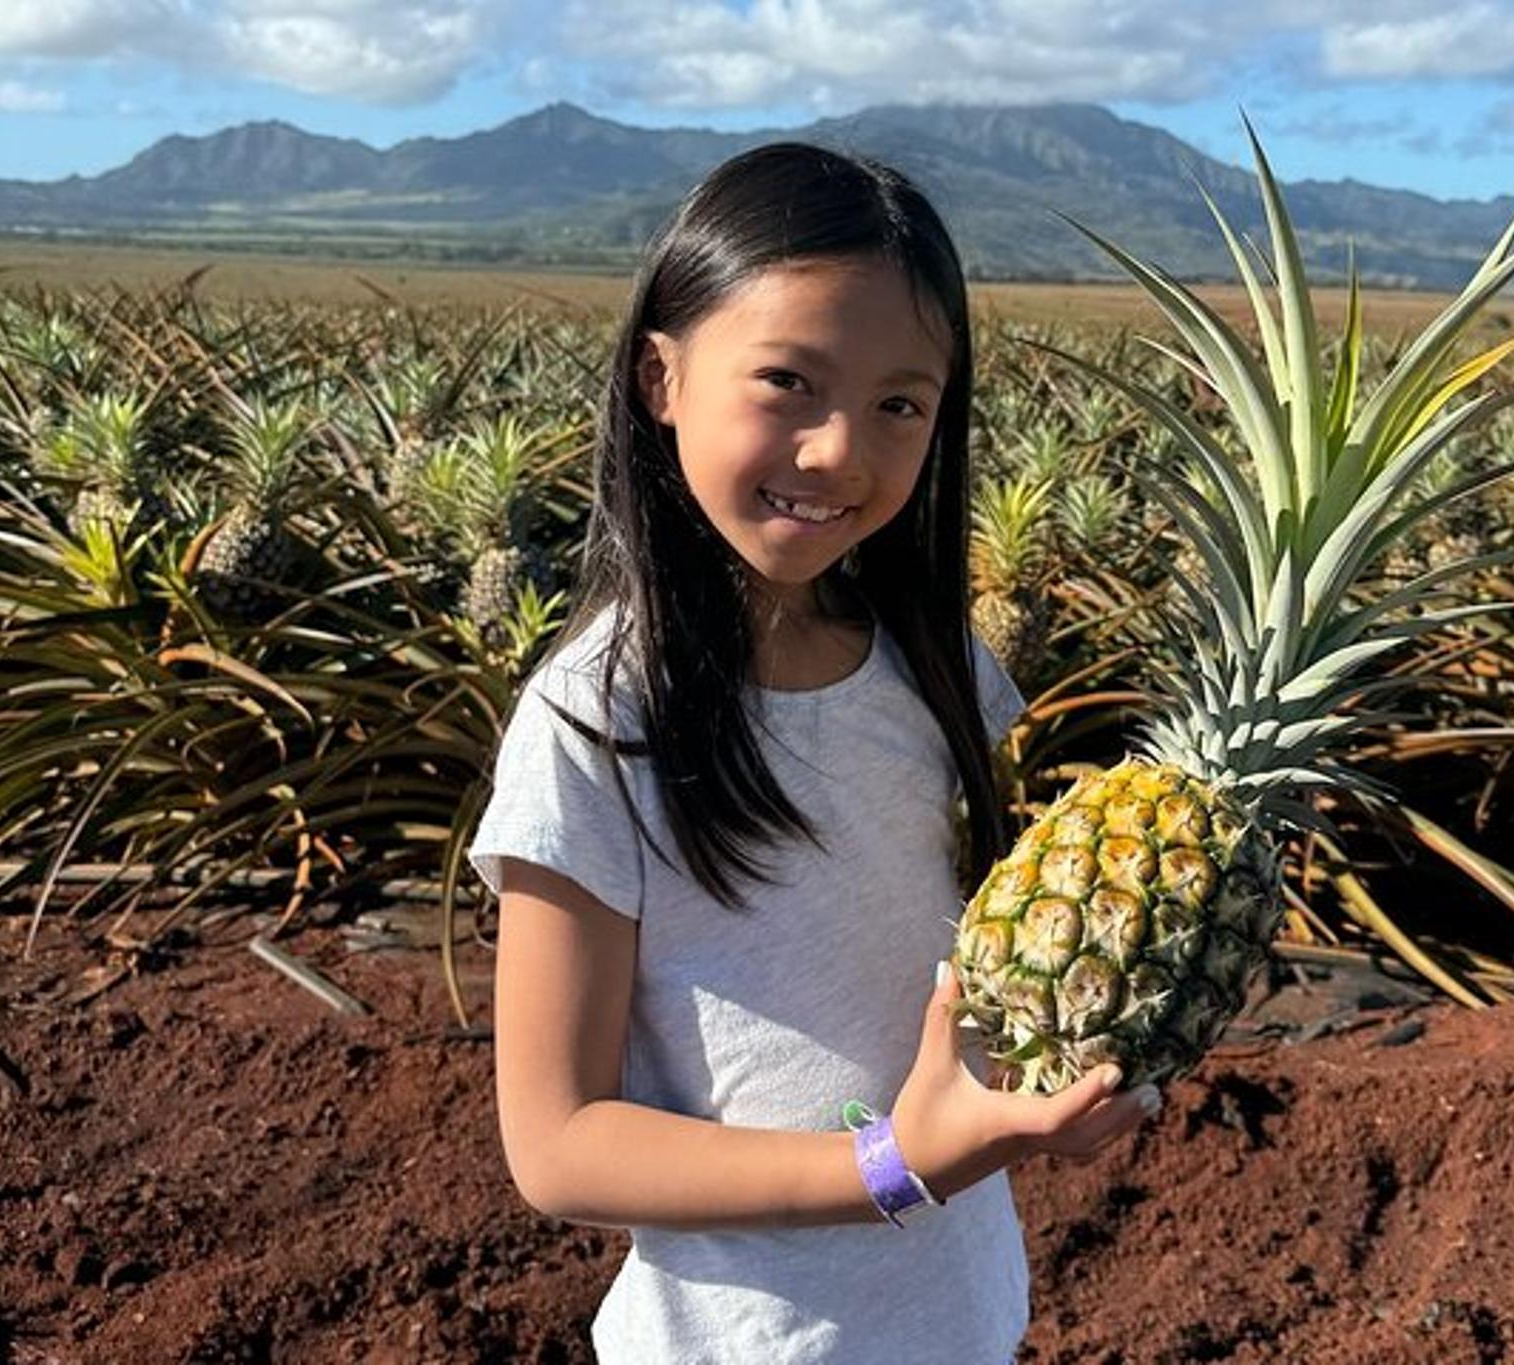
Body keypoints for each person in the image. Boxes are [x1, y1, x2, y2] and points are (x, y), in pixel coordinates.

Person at [466, 142, 1160, 1364]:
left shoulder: (938, 667)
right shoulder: (593, 725)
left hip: (963, 1319)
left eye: (900, 404)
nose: (841, 450)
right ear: (660, 377)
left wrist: (1052, 1082)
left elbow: (951, 981)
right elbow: (557, 1147)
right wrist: (895, 1165)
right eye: (788, 381)